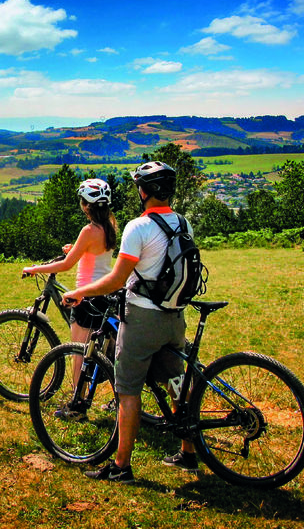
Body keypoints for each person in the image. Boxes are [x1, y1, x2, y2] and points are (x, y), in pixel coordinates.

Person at [61, 161, 198, 484]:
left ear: (143, 190)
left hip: (143, 318)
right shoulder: (183, 222)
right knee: (175, 381)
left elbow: (115, 280)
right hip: (174, 315)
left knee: (127, 391)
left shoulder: (138, 227)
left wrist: (80, 291)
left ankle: (121, 466)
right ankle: (188, 452)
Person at [23, 178, 118, 413]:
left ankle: (76, 406)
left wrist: (34, 268)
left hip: (86, 298)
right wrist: (75, 247)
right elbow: (94, 251)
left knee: (79, 354)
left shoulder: (89, 230)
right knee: (96, 351)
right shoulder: (110, 225)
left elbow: (66, 265)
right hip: (104, 293)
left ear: (86, 205)